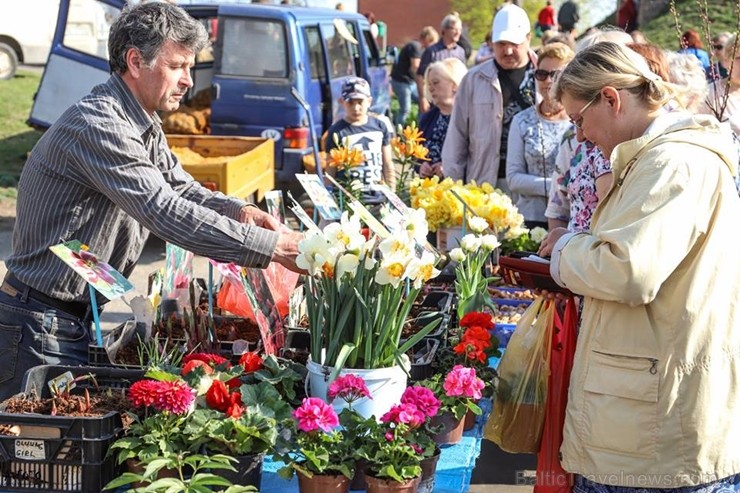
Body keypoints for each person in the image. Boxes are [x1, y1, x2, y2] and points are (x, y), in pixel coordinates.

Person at [0, 2, 303, 401]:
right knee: (33, 455)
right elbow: (163, 208)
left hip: (65, 317)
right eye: (177, 66)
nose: (187, 81)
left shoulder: (141, 121)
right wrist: (273, 248)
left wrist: (240, 210)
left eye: (189, 68)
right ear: (135, 61)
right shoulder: (100, 125)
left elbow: (179, 185)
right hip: (39, 321)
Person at [540, 41, 740, 491]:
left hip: (657, 431)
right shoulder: (658, 159)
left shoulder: (673, 163)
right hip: (649, 414)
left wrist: (565, 249)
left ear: (611, 99)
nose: (580, 136)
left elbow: (628, 272)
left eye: (579, 120)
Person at [442, 3, 536, 193]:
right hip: (485, 185)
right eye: (501, 44)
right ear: (492, 42)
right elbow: (457, 136)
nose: (508, 51)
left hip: (534, 186)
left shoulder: (546, 77)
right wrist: (454, 189)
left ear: (528, 38)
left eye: (514, 44)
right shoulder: (474, 80)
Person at [506, 42, 574, 229]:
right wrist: (556, 185)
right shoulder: (521, 121)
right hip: (530, 219)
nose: (548, 81)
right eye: (542, 74)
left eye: (556, 74)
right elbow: (513, 178)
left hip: (572, 220)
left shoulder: (580, 121)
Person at [324, 77, 395, 199]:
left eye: (360, 102)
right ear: (342, 102)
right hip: (348, 199)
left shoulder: (380, 127)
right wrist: (328, 197)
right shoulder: (336, 131)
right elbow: (331, 169)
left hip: (378, 197)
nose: (356, 108)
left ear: (369, 101)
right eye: (350, 102)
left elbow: (388, 163)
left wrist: (393, 193)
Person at [418, 58, 468, 178]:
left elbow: (477, 156)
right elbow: (416, 153)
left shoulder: (469, 118)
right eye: (429, 84)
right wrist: (420, 165)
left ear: (455, 85)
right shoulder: (428, 118)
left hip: (460, 190)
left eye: (435, 82)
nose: (430, 88)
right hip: (429, 190)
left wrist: (449, 168)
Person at [416, 14, 467, 114]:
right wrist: (423, 98)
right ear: (444, 30)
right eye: (454, 29)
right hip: (434, 104)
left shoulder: (460, 52)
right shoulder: (432, 51)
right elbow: (420, 76)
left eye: (460, 30)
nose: (458, 33)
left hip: (455, 106)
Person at [391, 26, 438, 126]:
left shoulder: (422, 49)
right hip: (402, 81)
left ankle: (420, 126)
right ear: (426, 38)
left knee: (425, 102)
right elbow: (415, 67)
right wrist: (425, 79)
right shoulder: (415, 47)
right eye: (431, 42)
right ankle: (400, 130)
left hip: (411, 82)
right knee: (406, 109)